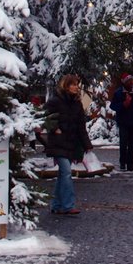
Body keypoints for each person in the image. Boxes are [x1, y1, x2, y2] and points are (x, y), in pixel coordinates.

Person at [40, 74, 92, 216]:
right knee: (67, 172)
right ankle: (68, 205)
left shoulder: (77, 104)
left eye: (77, 84)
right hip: (58, 143)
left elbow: (81, 126)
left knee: (63, 174)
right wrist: (54, 128)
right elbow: (43, 116)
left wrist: (87, 144)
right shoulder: (55, 101)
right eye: (73, 84)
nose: (76, 87)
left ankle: (56, 205)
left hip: (71, 143)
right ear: (66, 85)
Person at [110, 73, 133, 171]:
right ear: (124, 82)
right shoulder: (119, 92)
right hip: (123, 121)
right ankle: (122, 163)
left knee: (132, 144)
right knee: (123, 143)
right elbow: (113, 106)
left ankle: (130, 164)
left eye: (131, 80)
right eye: (128, 81)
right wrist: (123, 104)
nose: (131, 83)